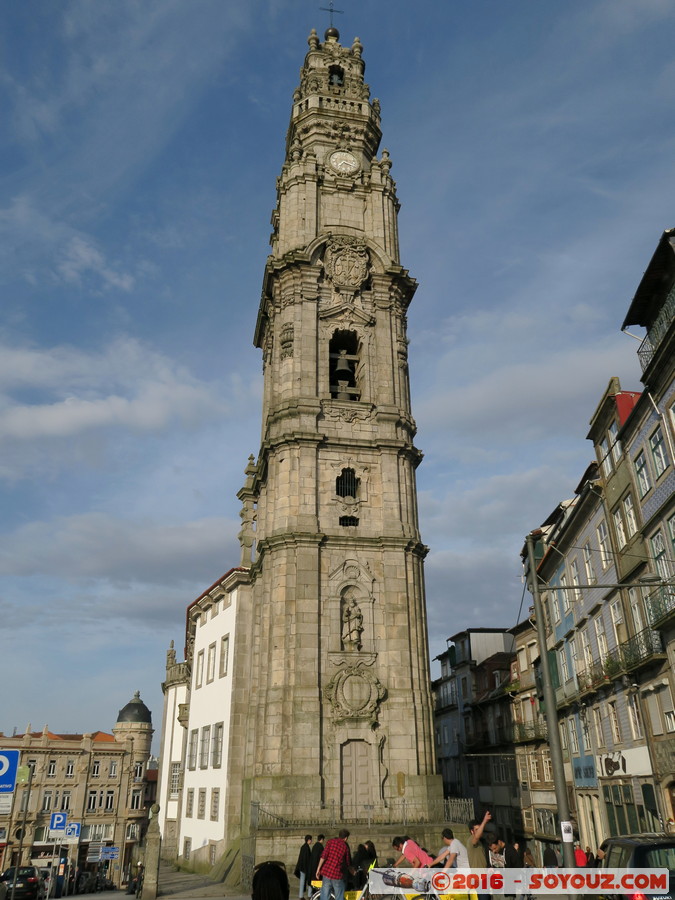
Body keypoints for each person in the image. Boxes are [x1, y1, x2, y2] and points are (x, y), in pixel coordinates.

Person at [316, 829, 351, 900]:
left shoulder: (330, 842)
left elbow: (323, 856)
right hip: (337, 875)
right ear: (346, 838)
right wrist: (351, 870)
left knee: (324, 896)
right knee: (339, 895)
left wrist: (318, 869)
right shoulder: (345, 847)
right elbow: (347, 863)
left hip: (327, 873)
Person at [294, 835, 313, 900]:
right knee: (306, 881)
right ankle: (307, 895)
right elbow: (306, 859)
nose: (311, 841)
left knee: (302, 882)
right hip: (305, 868)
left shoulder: (304, 847)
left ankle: (301, 895)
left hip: (302, 868)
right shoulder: (306, 848)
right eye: (311, 840)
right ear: (309, 840)